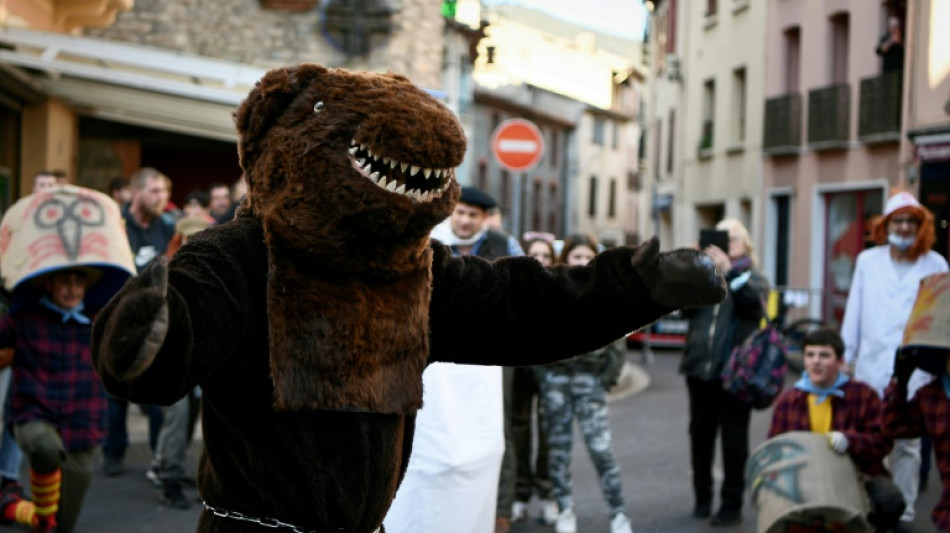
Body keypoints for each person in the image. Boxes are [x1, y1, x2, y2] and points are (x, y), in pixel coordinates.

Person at [385, 186, 523, 533]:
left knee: (496, 428)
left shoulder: (504, 247)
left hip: (488, 356)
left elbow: (517, 294)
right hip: (436, 358)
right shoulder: (430, 242)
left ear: (484, 218)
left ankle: (499, 510)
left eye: (472, 215)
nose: (464, 220)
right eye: (460, 213)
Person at [842, 190, 949, 531]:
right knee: (872, 437)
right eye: (897, 221)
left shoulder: (936, 264)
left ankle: (902, 511)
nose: (904, 227)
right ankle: (871, 505)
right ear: (885, 225)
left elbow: (942, 315)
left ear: (921, 226)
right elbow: (854, 309)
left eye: (911, 222)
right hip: (872, 363)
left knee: (909, 445)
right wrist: (846, 354)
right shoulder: (867, 261)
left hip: (916, 371)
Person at [535, 234, 633, 533]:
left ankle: (618, 513)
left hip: (591, 381)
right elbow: (534, 337)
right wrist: (544, 377)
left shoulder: (605, 292)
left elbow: (618, 340)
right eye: (576, 256)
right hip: (556, 382)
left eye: (587, 256)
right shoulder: (552, 290)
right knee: (558, 452)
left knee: (601, 450)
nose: (581, 261)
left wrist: (606, 380)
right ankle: (565, 509)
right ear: (566, 258)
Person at [0, 268, 108, 533]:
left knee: (62, 525)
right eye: (64, 282)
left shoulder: (99, 322)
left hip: (83, 423)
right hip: (32, 414)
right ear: (48, 284)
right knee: (45, 448)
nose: (72, 289)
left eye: (78, 282)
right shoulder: (24, 318)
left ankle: (14, 508)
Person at [769, 328, 904, 532]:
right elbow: (774, 451)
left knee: (889, 499)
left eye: (824, 355)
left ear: (840, 362)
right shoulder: (789, 401)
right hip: (805, 480)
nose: (816, 361)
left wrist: (851, 441)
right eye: (810, 355)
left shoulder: (864, 395)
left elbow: (883, 443)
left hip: (855, 477)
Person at [681, 217, 769, 527]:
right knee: (700, 438)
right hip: (699, 370)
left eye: (732, 239)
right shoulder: (705, 277)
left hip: (735, 374)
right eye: (721, 237)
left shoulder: (753, 277)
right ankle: (702, 499)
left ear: (746, 245)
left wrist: (729, 271)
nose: (725, 244)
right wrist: (693, 267)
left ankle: (731, 506)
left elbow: (756, 305)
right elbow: (682, 308)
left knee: (734, 442)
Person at [103, 167, 174, 477]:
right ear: (136, 192)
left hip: (154, 320)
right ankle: (113, 452)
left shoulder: (168, 227)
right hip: (117, 320)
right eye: (155, 191)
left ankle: (158, 458)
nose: (162, 198)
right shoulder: (114, 225)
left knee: (157, 392)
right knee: (115, 393)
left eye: (165, 192)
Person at [511, 236, 559, 525]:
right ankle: (520, 494)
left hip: (552, 368)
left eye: (545, 255)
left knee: (548, 430)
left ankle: (547, 493)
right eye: (535, 254)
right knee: (518, 430)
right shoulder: (513, 285)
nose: (540, 259)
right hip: (518, 368)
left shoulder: (560, 287)